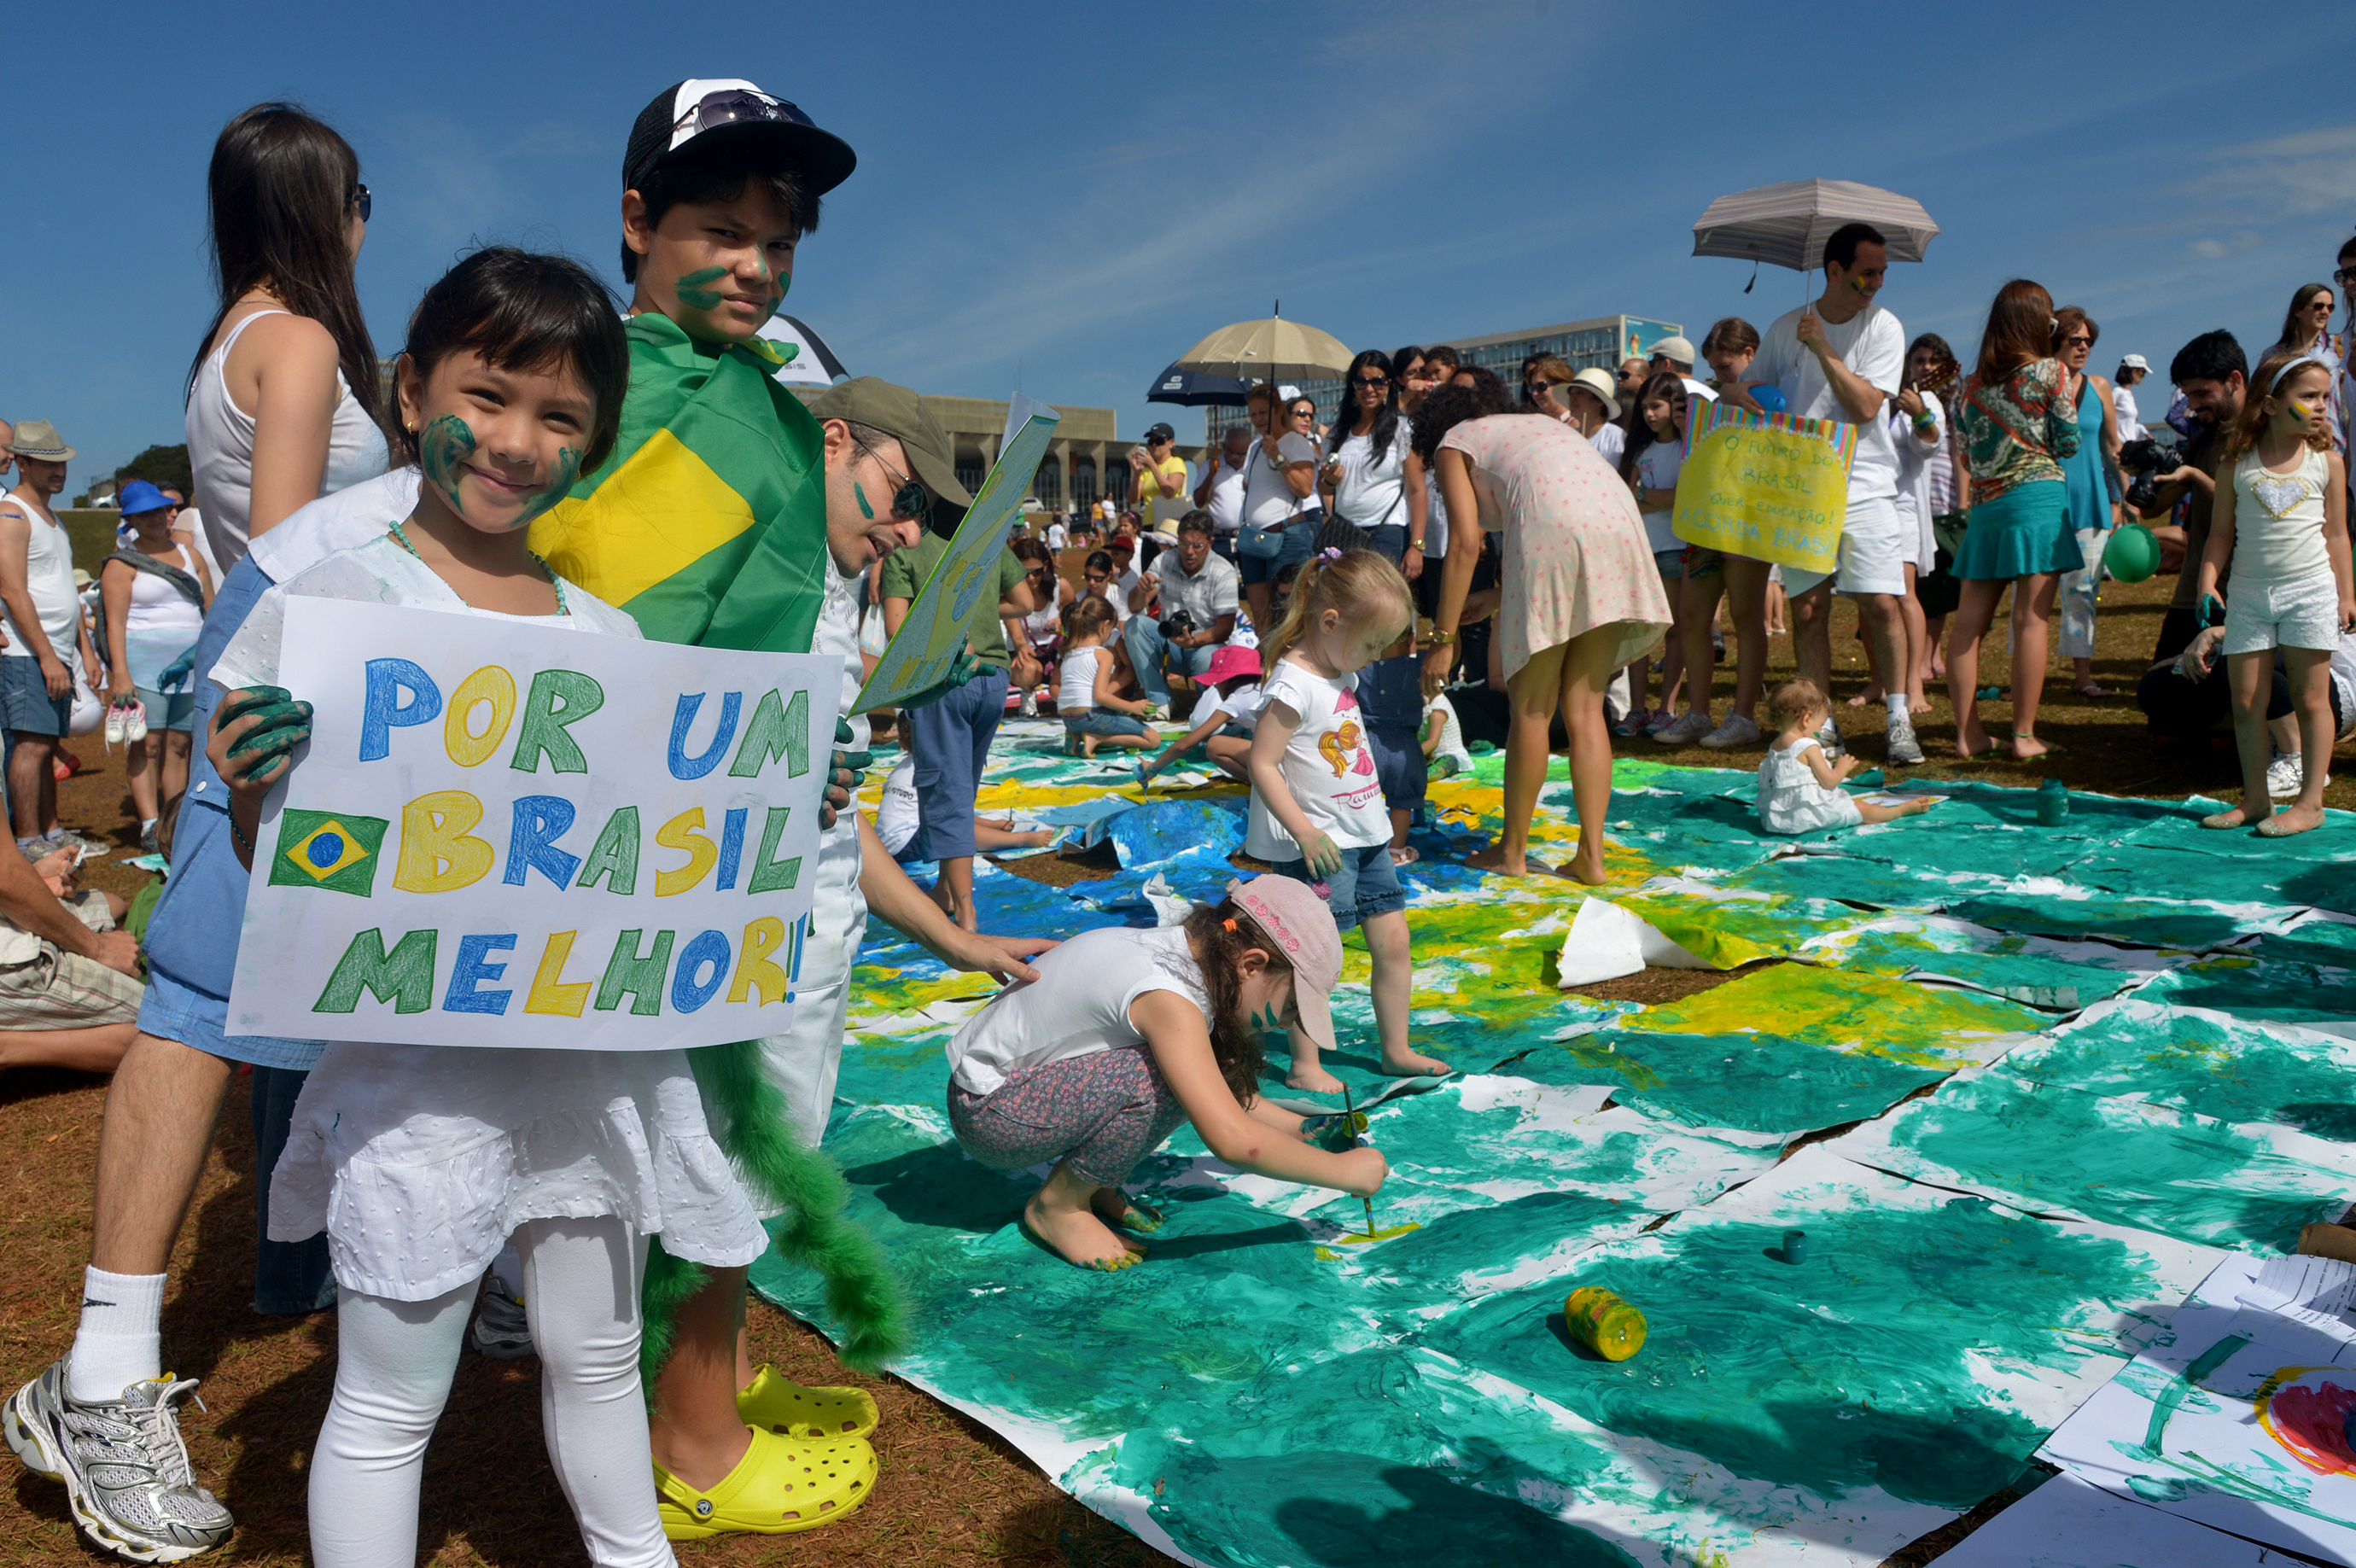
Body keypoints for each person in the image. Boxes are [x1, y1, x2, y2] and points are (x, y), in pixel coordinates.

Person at [196, 251, 758, 1568]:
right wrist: (249, 779)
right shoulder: (333, 608)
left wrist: (775, 802)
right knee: (392, 1392)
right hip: (421, 1083)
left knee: (601, 1353)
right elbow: (279, 864)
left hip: (584, 1069)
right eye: (489, 394)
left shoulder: (611, 643)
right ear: (411, 392)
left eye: (560, 418)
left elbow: (661, 855)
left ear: (597, 444)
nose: (515, 441)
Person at [946, 877, 1384, 1268]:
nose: (1286, 1024)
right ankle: (1058, 1208)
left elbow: (1220, 1091)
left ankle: (1095, 1181)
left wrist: (1302, 1128)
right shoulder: (1169, 998)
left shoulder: (1179, 951)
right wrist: (1344, 1173)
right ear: (1251, 964)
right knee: (1159, 1079)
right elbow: (1234, 1140)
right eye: (1291, 1007)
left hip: (1017, 1093)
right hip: (994, 1117)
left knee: (1182, 1066)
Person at [1414, 382, 1671, 883]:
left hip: (1558, 532)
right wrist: (1495, 599)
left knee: (1530, 709)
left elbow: (1466, 544)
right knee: (1585, 705)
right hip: (1619, 525)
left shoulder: (1455, 441)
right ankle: (1592, 858)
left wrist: (1442, 641)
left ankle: (1512, 852)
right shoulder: (1539, 429)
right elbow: (1555, 511)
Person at [1245, 550, 1448, 1087]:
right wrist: (1305, 832)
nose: (1376, 657)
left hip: (1369, 838)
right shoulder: (1292, 684)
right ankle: (1305, 1064)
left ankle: (1395, 1050)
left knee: (1395, 944)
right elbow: (1261, 764)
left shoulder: (1340, 672)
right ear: (1330, 622)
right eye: (1372, 644)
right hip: (1322, 848)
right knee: (1314, 959)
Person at [1730, 222, 1916, 765]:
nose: (1877, 283)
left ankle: (1899, 717)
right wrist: (1745, 393)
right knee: (1809, 611)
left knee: (1880, 603)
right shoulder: (1786, 325)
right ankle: (1822, 724)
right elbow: (1738, 387)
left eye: (1882, 272)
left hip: (1865, 482)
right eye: (1866, 274)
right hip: (1802, 488)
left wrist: (1824, 347)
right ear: (1835, 271)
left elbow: (1864, 408)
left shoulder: (1885, 327)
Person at [185, 104, 390, 573]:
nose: (361, 221)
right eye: (358, 199)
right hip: (304, 639)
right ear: (318, 212)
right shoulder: (298, 342)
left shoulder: (227, 342)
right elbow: (282, 564)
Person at [2190, 350, 2351, 836]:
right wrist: (2206, 581)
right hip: (2249, 596)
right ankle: (2257, 799)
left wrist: (2347, 593)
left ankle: (2310, 804)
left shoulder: (2329, 463)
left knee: (2310, 698)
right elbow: (2220, 533)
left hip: (2311, 593)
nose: (2321, 405)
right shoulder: (2236, 463)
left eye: (2325, 396)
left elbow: (2337, 534)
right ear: (2272, 403)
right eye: (2308, 396)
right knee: (2245, 701)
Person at [1945, 279, 2084, 761]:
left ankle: (1968, 735)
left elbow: (1964, 454)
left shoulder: (1968, 385)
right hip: (2037, 500)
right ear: (2036, 322)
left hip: (1987, 507)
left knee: (1967, 626)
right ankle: (2023, 735)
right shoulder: (2051, 371)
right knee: (2031, 619)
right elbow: (2068, 443)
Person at [0, 422, 102, 850]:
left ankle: (53, 833)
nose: (59, 471)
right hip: (28, 652)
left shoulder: (52, 518)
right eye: (47, 463)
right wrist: (44, 656)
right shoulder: (11, 514)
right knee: (31, 747)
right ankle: (27, 841)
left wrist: (86, 652)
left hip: (54, 651)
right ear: (21, 464)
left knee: (45, 746)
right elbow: (11, 589)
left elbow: (66, 590)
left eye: (61, 462)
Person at [99, 481, 214, 850]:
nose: (154, 519)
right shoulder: (120, 563)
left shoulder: (191, 555)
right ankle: (150, 822)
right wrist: (121, 675)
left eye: (159, 510)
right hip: (143, 667)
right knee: (146, 745)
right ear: (130, 519)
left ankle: (175, 820)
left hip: (192, 666)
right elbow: (114, 623)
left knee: (180, 745)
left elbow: (209, 610)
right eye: (144, 513)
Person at [2138, 331, 2250, 659]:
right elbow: (2153, 509)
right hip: (2194, 596)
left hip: (2243, 598)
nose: (2193, 406)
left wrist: (2196, 477)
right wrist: (2144, 473)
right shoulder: (2203, 440)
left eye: (2202, 393)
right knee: (2162, 697)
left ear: (2234, 380)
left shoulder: (2265, 438)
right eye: (2187, 395)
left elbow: (2258, 509)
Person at [0, 836, 142, 1074]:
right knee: (166, 1028)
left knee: (113, 906)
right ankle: (8, 1047)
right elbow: (5, 873)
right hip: (11, 958)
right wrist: (99, 948)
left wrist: (31, 879)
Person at [2052, 307, 2123, 700]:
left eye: (2087, 341)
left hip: (2091, 500)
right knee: (2031, 594)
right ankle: (2019, 678)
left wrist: (2127, 495)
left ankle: (2083, 676)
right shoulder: (2040, 385)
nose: (2082, 347)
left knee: (2083, 592)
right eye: (2074, 339)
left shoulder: (2099, 386)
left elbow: (2112, 445)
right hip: (2047, 501)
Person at [1757, 679, 1935, 835]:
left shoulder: (1776, 744)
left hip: (1778, 820)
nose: (1820, 731)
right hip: (1808, 818)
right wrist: (1842, 767)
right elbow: (1829, 782)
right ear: (1807, 719)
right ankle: (1900, 811)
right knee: (1862, 809)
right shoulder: (1808, 746)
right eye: (1820, 725)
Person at [1618, 372, 1692, 738]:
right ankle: (1636, 707)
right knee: (1639, 629)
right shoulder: (1640, 451)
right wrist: (1655, 498)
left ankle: (1667, 707)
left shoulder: (1687, 447)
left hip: (1677, 547)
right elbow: (1626, 495)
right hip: (1642, 550)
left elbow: (1684, 495)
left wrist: (1648, 497)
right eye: (1645, 407)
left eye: (1656, 406)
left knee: (1675, 629)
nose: (1649, 414)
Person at [1123, 510, 1239, 705]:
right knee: (1134, 626)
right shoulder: (1164, 560)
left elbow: (1225, 628)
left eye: (1198, 546)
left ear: (1210, 543)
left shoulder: (1223, 571)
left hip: (1204, 645)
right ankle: (1161, 700)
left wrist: (1193, 642)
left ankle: (1208, 705)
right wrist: (1141, 590)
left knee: (1207, 658)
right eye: (1184, 543)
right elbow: (1134, 607)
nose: (1189, 551)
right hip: (1170, 644)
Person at [1323, 351, 1421, 573]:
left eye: (1378, 382)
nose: (1369, 389)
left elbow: (1417, 491)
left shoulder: (1402, 430)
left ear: (1388, 385)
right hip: (1345, 533)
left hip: (1387, 531)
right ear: (1352, 386)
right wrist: (1329, 481)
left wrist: (1417, 546)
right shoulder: (1337, 434)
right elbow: (1324, 488)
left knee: (1383, 604)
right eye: (1361, 382)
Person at [1237, 384, 1321, 633]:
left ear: (1278, 410)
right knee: (1261, 613)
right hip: (1255, 540)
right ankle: (1267, 667)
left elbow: (1305, 488)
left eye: (1263, 412)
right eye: (1253, 414)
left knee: (1289, 612)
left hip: (1287, 538)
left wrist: (1278, 457)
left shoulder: (1295, 442)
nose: (1258, 419)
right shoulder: (1254, 447)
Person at [1138, 643, 1261, 785]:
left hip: (1281, 762)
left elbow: (1186, 744)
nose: (1214, 686)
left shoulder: (1236, 701)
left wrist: (1153, 768)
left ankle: (1262, 787)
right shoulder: (1265, 685)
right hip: (1285, 750)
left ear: (1227, 680)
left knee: (1214, 745)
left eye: (1216, 682)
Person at [1059, 596, 1158, 756]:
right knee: (1153, 739)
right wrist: (1133, 707)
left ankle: (1076, 736)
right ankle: (1096, 738)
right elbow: (1100, 696)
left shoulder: (1068, 653)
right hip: (1090, 717)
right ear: (1105, 626)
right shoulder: (1102, 655)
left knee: (1105, 717)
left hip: (1069, 720)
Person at [2270, 282, 2344, 460]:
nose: (2325, 312)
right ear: (2298, 310)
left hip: (2338, 438)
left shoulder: (2341, 348)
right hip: (2293, 443)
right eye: (2318, 306)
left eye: (2330, 307)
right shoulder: (2275, 355)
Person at [1193, 423, 1252, 557]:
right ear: (1225, 447)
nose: (1238, 458)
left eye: (1243, 454)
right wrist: (1211, 476)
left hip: (1247, 534)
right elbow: (1199, 502)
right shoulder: (1210, 465)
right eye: (1234, 453)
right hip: (1220, 537)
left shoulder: (1252, 466)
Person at [1128, 422, 1187, 530]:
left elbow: (1169, 492)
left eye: (1159, 441)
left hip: (1169, 524)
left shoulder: (1175, 462)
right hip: (1149, 523)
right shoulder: (1146, 470)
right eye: (1151, 442)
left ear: (1171, 443)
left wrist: (1152, 465)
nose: (1154, 445)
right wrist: (1136, 474)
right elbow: (1132, 499)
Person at [2113, 353, 2150, 442]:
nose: (2143, 377)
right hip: (2120, 446)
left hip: (2130, 445)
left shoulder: (2129, 394)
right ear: (2134, 372)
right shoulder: (2117, 392)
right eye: (2142, 373)